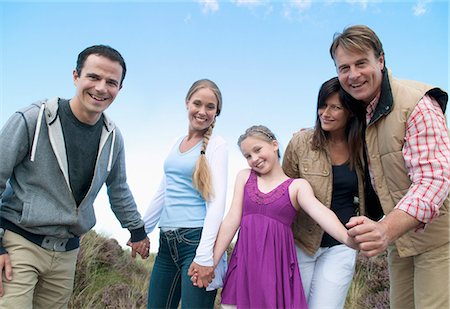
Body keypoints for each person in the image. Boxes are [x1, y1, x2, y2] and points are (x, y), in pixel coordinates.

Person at [0, 45, 150, 308]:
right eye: (93, 77)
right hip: (20, 245)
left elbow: (119, 189)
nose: (101, 88)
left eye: (111, 82)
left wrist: (137, 231)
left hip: (67, 253)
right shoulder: (32, 119)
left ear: (119, 89)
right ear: (75, 76)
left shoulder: (113, 138)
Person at [330, 25, 450, 309]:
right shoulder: (363, 112)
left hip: (440, 240)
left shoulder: (417, 103)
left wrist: (385, 229)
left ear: (381, 60)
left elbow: (434, 179)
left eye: (361, 63)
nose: (353, 75)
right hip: (402, 243)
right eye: (344, 67)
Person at [197, 125, 357, 309]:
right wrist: (211, 263)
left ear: (274, 145)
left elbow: (321, 213)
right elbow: (232, 220)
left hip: (276, 274)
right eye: (248, 156)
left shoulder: (296, 186)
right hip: (244, 270)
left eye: (257, 150)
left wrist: (346, 238)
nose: (254, 159)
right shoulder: (245, 177)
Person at [282, 76, 366, 309]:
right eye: (322, 105)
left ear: (350, 111)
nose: (325, 113)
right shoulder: (301, 142)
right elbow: (282, 192)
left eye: (335, 107)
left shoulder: (363, 146)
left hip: (343, 244)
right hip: (301, 242)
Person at [143, 79, 228, 308]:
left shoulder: (216, 145)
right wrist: (141, 231)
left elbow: (217, 203)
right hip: (166, 243)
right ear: (187, 103)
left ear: (216, 112)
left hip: (195, 242)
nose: (202, 111)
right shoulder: (176, 143)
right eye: (197, 104)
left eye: (210, 107)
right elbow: (164, 190)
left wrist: (204, 256)